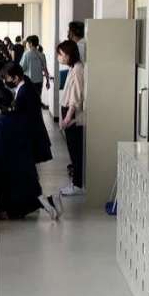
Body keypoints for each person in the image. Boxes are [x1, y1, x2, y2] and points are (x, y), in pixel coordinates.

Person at [0, 88, 60, 220]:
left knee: (14, 206)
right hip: (26, 161)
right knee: (24, 198)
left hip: (9, 166)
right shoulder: (21, 117)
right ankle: (47, 201)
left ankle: (44, 202)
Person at [4, 62, 52, 165]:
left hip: (31, 136)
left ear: (16, 78)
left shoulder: (23, 92)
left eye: (7, 78)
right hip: (34, 134)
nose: (6, 81)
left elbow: (21, 116)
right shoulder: (26, 84)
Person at [57, 40, 85, 196]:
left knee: (76, 151)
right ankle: (76, 183)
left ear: (68, 55)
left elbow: (76, 96)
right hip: (67, 112)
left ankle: (77, 184)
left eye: (60, 54)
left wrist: (67, 117)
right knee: (72, 150)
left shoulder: (78, 68)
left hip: (72, 113)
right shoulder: (73, 67)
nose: (59, 57)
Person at [20, 35, 50, 102]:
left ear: (30, 43)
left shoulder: (26, 54)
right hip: (39, 81)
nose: (27, 44)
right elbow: (45, 69)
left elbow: (21, 68)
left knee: (28, 101)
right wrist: (47, 81)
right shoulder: (42, 55)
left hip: (29, 81)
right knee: (37, 100)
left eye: (27, 43)